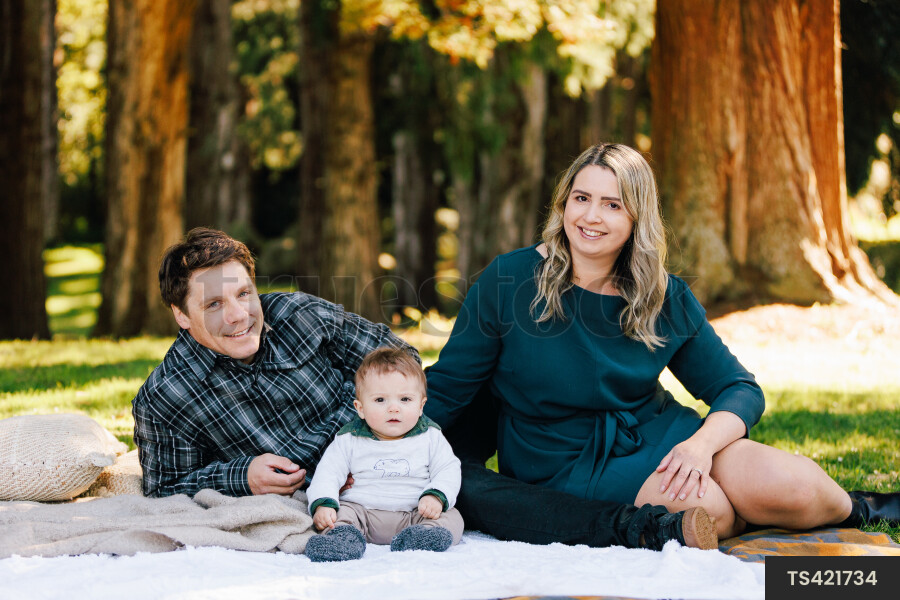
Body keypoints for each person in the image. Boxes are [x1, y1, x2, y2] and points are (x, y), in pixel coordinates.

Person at [425, 143, 900, 543]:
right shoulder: (509, 280)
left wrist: (699, 448)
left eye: (612, 205)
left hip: (660, 434)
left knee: (795, 487)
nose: (591, 217)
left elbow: (739, 387)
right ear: (563, 205)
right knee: (711, 510)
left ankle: (856, 508)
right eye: (581, 198)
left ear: (637, 217)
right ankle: (746, 518)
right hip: (560, 458)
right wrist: (381, 444)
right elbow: (449, 386)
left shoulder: (662, 293)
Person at [132, 228, 418, 499]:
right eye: (214, 304)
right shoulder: (164, 398)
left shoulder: (301, 315)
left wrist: (357, 445)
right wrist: (241, 477)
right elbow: (164, 489)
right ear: (181, 315)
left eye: (244, 294)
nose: (239, 315)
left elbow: (403, 360)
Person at [304, 347, 464, 562]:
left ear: (421, 406)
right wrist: (324, 503)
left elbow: (448, 469)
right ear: (360, 408)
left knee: (452, 518)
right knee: (340, 516)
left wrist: (436, 495)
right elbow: (328, 473)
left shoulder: (430, 437)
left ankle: (422, 537)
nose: (393, 408)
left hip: (416, 513)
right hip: (363, 512)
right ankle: (342, 539)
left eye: (405, 399)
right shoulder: (349, 438)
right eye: (380, 400)